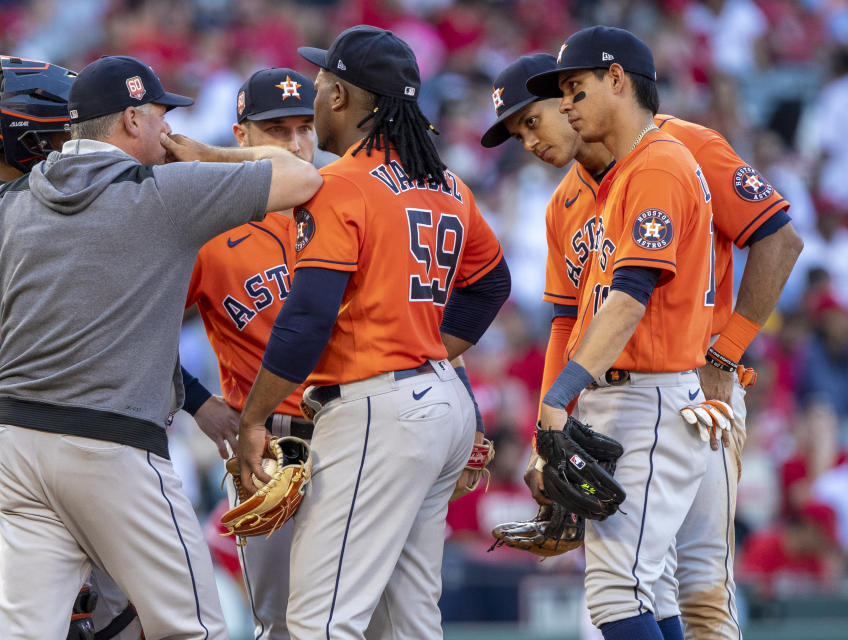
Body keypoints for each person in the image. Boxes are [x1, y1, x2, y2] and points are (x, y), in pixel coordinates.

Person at [0, 54, 321, 639]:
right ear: (130, 120)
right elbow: (305, 178)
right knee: (194, 626)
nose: (167, 129)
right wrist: (206, 154)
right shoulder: (165, 192)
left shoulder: (4, 203)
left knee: (28, 632)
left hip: (16, 444)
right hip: (112, 441)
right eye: (159, 116)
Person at [487, 51, 801, 638]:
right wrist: (546, 430)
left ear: (571, 96)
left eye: (533, 119)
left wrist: (726, 352)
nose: (527, 142)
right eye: (515, 133)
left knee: (700, 585)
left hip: (698, 384)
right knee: (648, 584)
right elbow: (564, 324)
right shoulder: (565, 204)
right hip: (619, 394)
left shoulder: (681, 148)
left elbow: (780, 242)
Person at [233, 25, 510, 640]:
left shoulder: (343, 185)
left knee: (319, 622)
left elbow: (307, 320)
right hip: (440, 403)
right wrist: (431, 349)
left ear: (339, 96)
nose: (312, 90)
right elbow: (490, 286)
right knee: (410, 622)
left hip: (378, 412)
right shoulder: (445, 182)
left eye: (320, 79)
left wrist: (252, 420)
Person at [522, 26, 715, 640]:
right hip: (629, 394)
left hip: (652, 395)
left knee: (613, 593)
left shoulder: (658, 164)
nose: (568, 105)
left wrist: (558, 396)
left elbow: (630, 300)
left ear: (616, 79)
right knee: (648, 586)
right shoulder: (622, 175)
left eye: (575, 89)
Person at [0, 54, 144, 639]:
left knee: (111, 617)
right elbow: (18, 365)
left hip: (26, 428)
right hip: (16, 427)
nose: (72, 140)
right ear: (28, 137)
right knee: (56, 624)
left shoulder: (2, 208)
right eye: (61, 130)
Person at [179, 66, 319, 640]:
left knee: (382, 616)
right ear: (241, 137)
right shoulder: (207, 233)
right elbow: (131, 330)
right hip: (270, 444)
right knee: (282, 624)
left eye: (304, 128)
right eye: (276, 130)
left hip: (362, 428)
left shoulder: (346, 207)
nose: (294, 144)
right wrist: (196, 401)